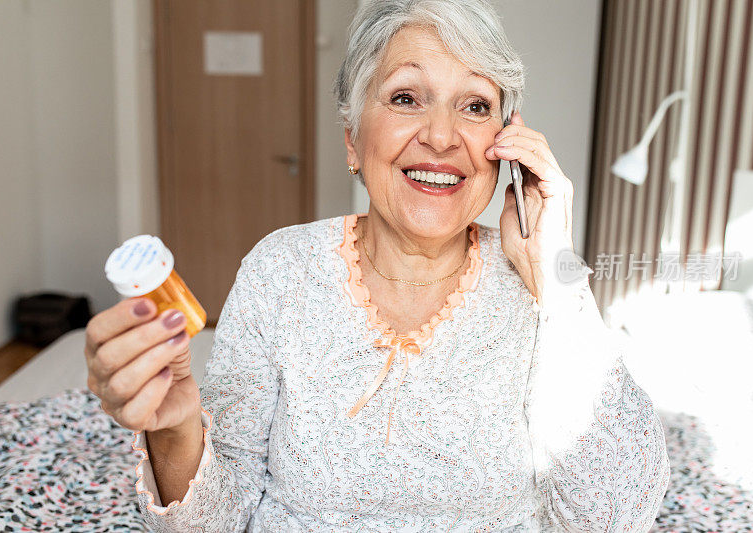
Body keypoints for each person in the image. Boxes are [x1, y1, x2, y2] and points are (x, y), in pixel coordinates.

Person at [84, 0, 670, 530]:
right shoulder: (280, 270)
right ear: (352, 139)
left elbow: (616, 516)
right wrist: (174, 430)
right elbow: (216, 519)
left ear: (505, 146)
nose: (442, 136)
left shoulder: (537, 285)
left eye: (474, 105)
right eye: (406, 98)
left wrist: (555, 274)